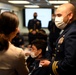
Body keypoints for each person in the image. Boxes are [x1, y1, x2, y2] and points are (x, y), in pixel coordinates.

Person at [40, 3, 76, 75]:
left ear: (70, 16)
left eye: (59, 15)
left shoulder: (72, 32)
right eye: (56, 15)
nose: (56, 18)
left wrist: (50, 65)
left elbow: (69, 63)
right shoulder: (68, 29)